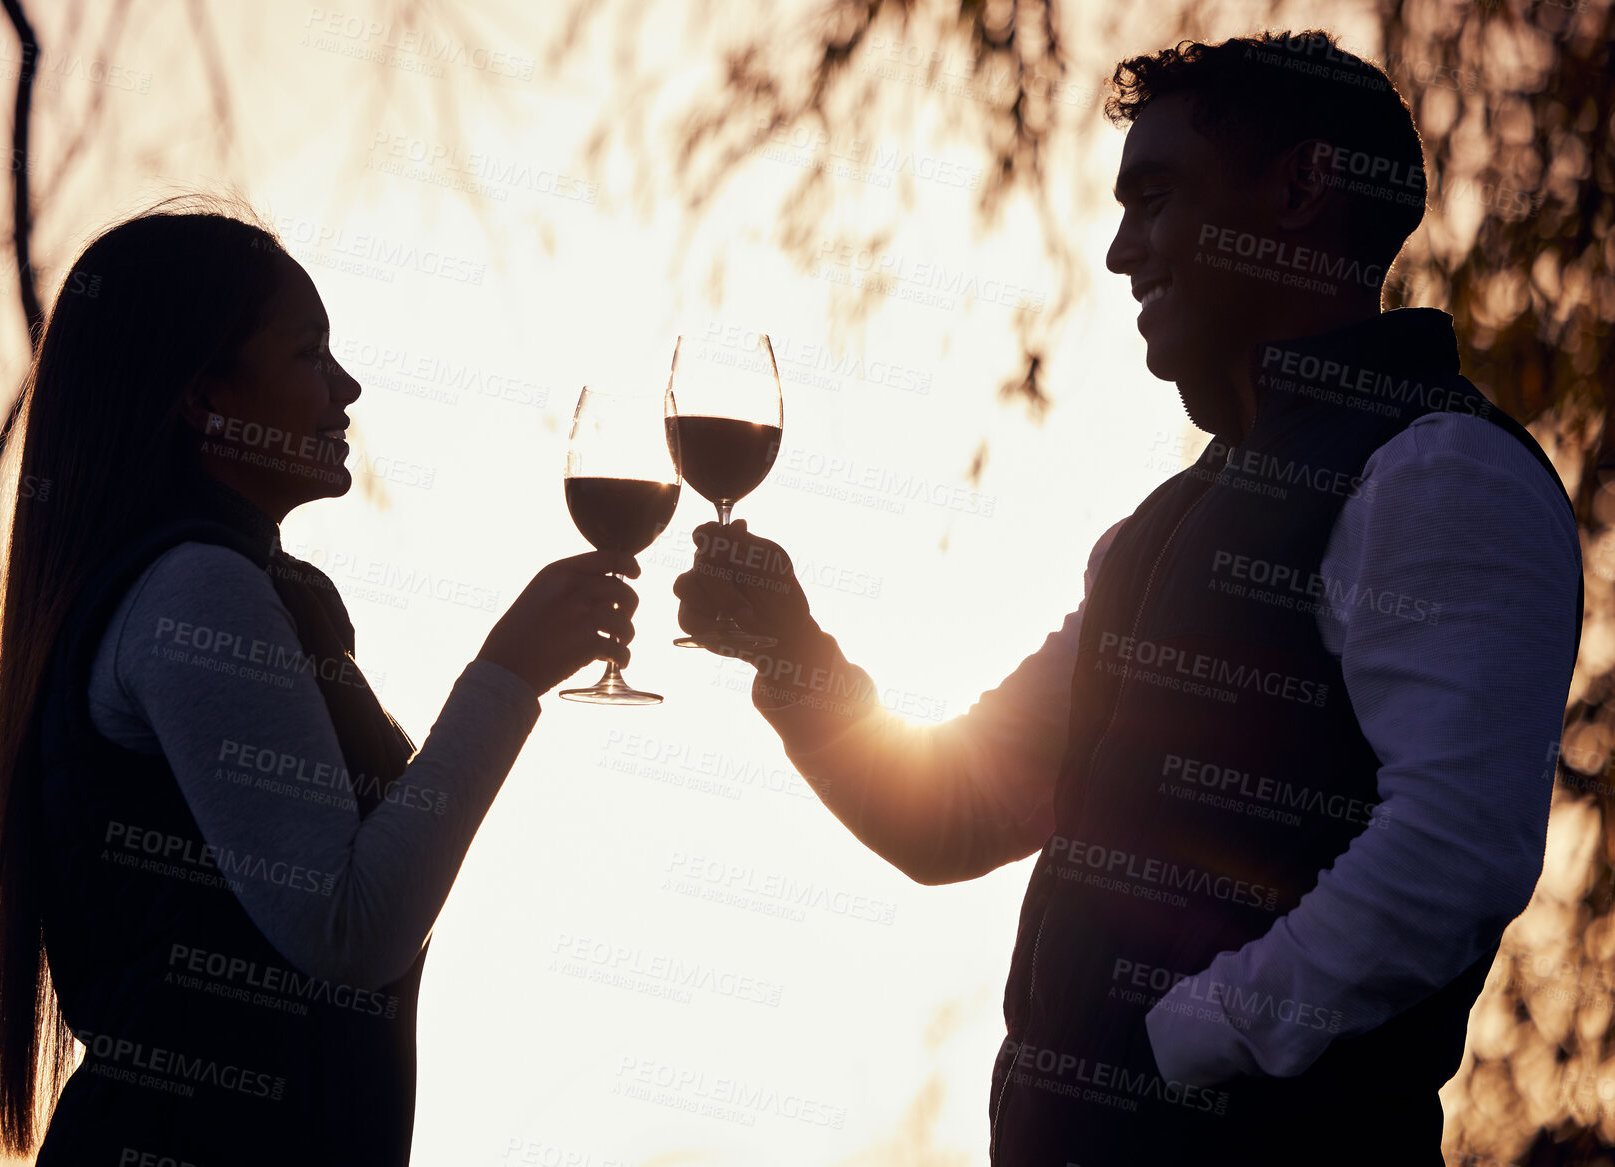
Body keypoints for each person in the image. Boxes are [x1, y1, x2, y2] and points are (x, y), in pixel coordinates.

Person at [673, 30, 1584, 1167]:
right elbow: (951, 814)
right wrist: (789, 652)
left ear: (1300, 189)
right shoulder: (1153, 533)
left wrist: (1187, 1038)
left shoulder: (1439, 473)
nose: (1117, 251)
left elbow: (1453, 854)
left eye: (1154, 198)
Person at [0, 200, 639, 1165]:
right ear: (204, 396)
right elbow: (346, 926)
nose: (348, 386)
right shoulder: (198, 590)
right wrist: (509, 674)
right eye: (309, 355)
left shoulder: (214, 587)